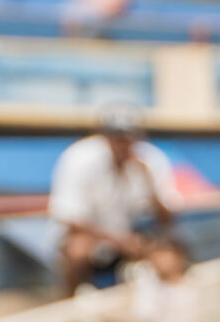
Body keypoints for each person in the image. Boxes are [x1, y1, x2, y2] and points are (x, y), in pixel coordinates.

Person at [51, 104, 180, 296]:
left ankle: (163, 310)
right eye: (116, 138)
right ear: (104, 137)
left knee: (168, 256)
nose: (122, 144)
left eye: (127, 138)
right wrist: (120, 241)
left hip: (133, 235)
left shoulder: (151, 159)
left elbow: (168, 219)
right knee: (77, 251)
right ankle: (70, 306)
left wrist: (150, 182)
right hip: (94, 237)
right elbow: (70, 219)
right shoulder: (79, 158)